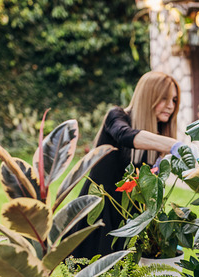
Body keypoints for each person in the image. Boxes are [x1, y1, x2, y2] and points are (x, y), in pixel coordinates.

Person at [72, 71, 183, 259]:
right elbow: (125, 135)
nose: (171, 106)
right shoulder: (116, 116)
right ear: (149, 96)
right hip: (101, 212)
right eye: (164, 99)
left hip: (131, 217)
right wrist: (174, 145)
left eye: (174, 100)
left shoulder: (157, 132)